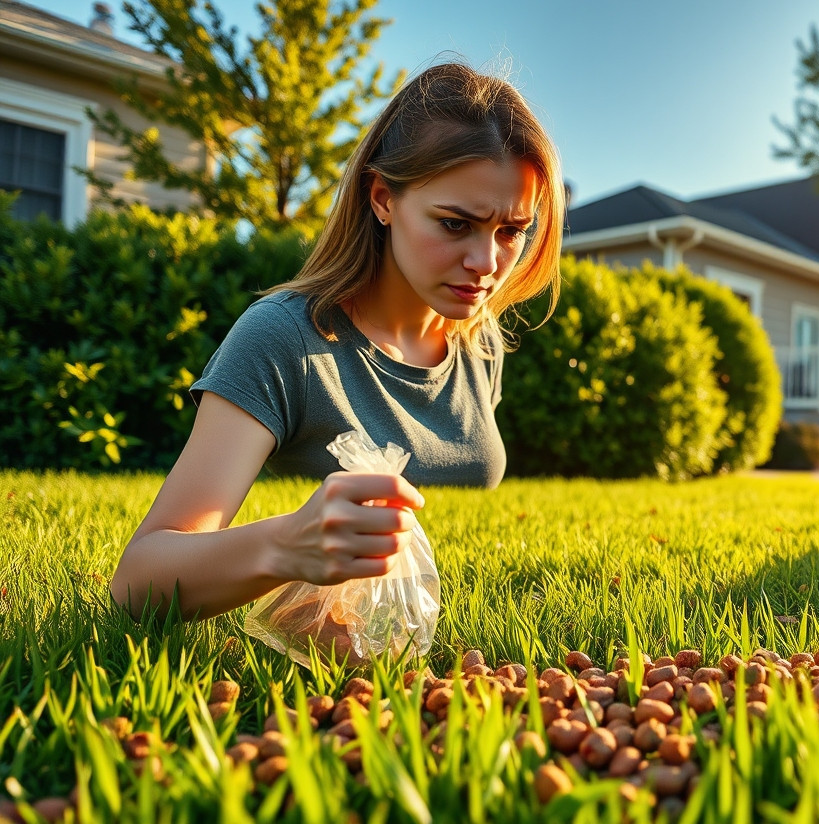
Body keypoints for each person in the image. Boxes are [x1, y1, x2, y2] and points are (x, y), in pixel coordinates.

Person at [110, 63, 564, 620]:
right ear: (381, 199)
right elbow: (137, 582)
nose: (486, 264)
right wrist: (285, 545)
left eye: (512, 231)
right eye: (453, 224)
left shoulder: (480, 342)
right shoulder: (285, 338)